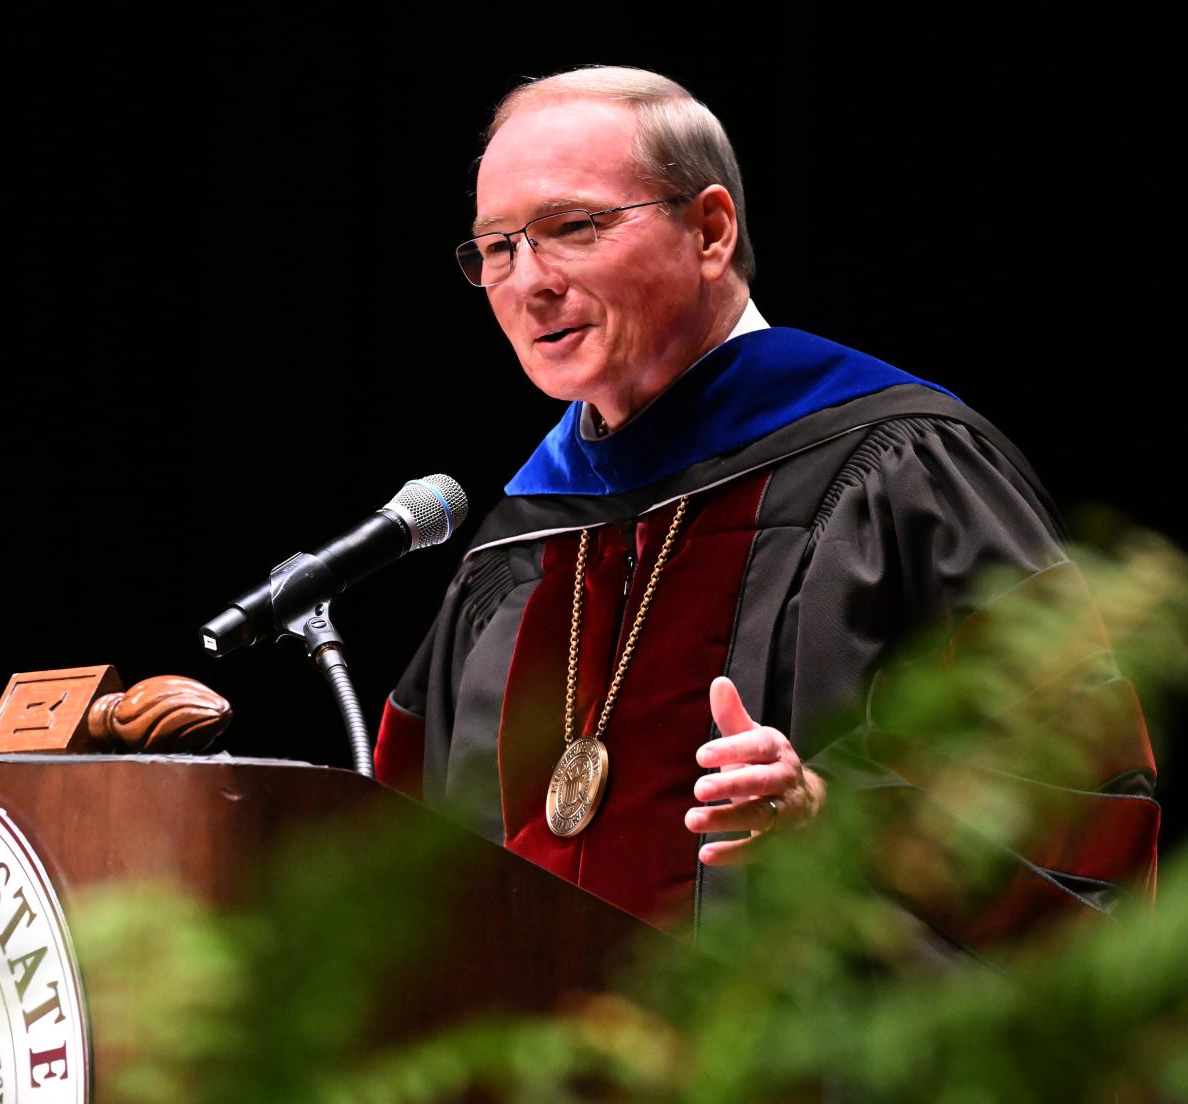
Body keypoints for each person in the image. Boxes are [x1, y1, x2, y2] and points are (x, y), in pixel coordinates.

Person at [373, 67, 1158, 948]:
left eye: (570, 229)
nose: (527, 282)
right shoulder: (520, 541)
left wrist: (831, 817)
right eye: (497, 247)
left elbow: (1072, 794)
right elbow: (401, 862)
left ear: (710, 229)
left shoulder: (901, 468)